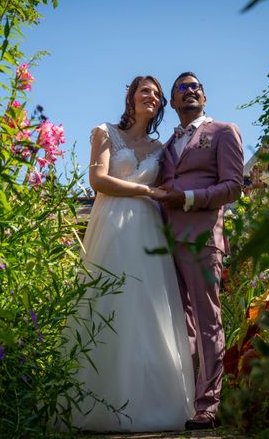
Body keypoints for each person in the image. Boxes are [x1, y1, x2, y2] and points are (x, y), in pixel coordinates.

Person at [64, 75, 195, 432]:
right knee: (110, 303)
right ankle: (98, 401)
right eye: (144, 91)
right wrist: (147, 192)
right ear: (131, 97)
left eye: (156, 94)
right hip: (113, 225)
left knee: (149, 308)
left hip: (150, 231)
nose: (150, 97)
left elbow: (171, 186)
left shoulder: (159, 148)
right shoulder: (104, 132)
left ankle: (151, 403)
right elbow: (99, 181)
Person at [158, 72, 244, 430]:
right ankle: (185, 400)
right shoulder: (165, 148)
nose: (190, 91)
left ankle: (207, 407)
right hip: (161, 244)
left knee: (208, 321)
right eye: (182, 88)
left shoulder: (223, 132)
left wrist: (189, 198)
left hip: (201, 238)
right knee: (181, 325)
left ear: (204, 99)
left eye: (196, 87)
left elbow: (233, 187)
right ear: (173, 102)